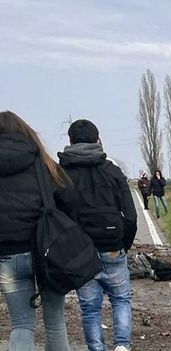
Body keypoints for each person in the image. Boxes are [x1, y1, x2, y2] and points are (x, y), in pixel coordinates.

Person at [58, 119, 137, 351]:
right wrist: (124, 244)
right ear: (98, 139)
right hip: (113, 246)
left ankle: (97, 348)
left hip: (82, 253)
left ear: (70, 141)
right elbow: (130, 216)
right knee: (121, 299)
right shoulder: (112, 171)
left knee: (90, 308)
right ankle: (122, 346)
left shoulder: (61, 174)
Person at [0, 111, 75, 350]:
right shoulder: (45, 165)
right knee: (54, 321)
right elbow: (70, 201)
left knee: (21, 324)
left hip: (8, 256)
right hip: (47, 251)